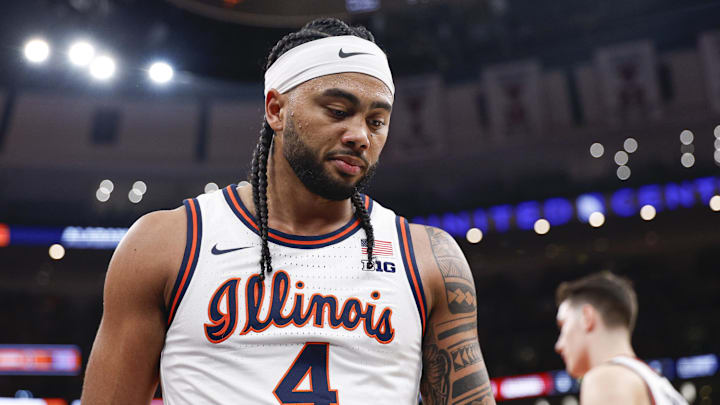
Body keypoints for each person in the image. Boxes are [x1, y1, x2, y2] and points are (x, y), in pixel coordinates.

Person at [81, 18, 494, 405]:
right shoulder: (166, 244)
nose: (359, 136)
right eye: (337, 111)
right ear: (276, 110)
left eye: (377, 120)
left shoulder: (429, 258)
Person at [554, 271, 687, 405]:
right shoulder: (657, 382)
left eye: (563, 326)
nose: (559, 345)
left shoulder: (607, 379)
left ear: (586, 318)